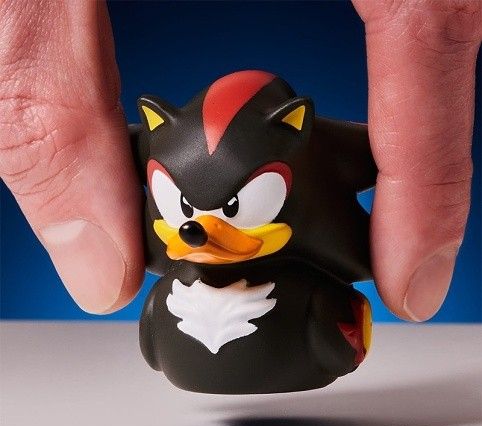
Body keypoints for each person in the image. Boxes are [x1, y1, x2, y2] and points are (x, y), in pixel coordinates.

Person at [0, 1, 480, 320]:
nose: (198, 230)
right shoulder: (174, 269)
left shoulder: (320, 224)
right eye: (185, 210)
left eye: (231, 209)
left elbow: (366, 161)